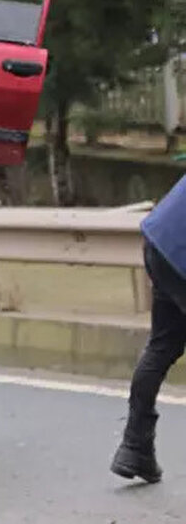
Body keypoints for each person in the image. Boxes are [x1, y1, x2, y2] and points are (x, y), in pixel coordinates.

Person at [112, 175, 186, 482]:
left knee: (162, 345)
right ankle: (135, 447)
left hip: (159, 242)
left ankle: (135, 448)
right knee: (163, 346)